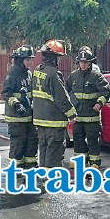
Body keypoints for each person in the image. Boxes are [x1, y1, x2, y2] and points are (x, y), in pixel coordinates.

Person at [32, 39, 76, 169]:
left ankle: (43, 178)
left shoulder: (36, 71)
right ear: (53, 58)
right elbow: (61, 98)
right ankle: (52, 181)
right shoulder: (54, 74)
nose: (60, 60)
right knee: (55, 152)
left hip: (40, 120)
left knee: (44, 150)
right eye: (59, 57)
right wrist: (72, 114)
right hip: (54, 121)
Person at [66, 47, 110, 169]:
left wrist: (99, 104)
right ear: (78, 62)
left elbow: (105, 92)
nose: (83, 64)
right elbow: (66, 90)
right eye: (81, 62)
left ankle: (94, 163)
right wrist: (72, 100)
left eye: (86, 62)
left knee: (92, 141)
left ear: (90, 62)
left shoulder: (96, 76)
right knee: (78, 140)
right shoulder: (73, 76)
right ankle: (80, 161)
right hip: (78, 117)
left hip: (92, 117)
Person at [1, 45, 39, 169]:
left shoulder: (28, 73)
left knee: (31, 142)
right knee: (18, 144)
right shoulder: (12, 73)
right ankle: (16, 169)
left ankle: (30, 166)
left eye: (31, 59)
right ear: (20, 60)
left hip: (29, 116)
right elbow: (6, 93)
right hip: (16, 118)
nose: (30, 62)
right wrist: (16, 104)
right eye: (28, 60)